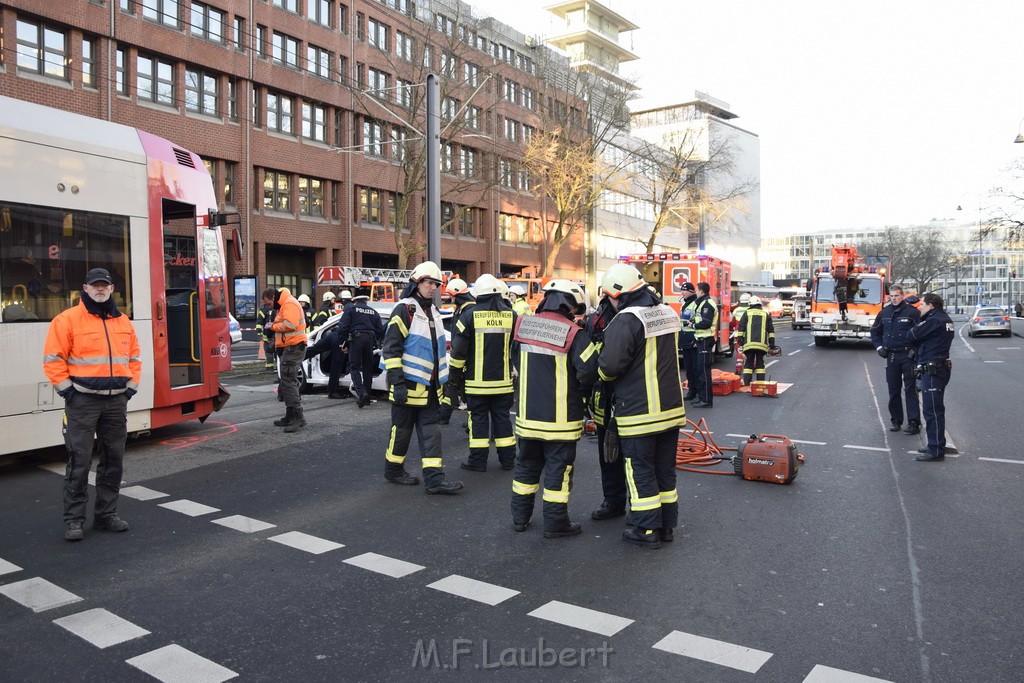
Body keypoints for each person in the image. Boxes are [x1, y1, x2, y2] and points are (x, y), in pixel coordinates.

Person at [43, 268, 141, 541]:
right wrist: (69, 394)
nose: (101, 289)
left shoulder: (123, 321)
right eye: (95, 285)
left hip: (115, 402)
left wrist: (129, 389)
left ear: (112, 289)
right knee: (80, 461)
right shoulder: (67, 320)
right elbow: (53, 360)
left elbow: (134, 357)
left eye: (105, 285)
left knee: (113, 461)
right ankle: (74, 520)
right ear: (85, 288)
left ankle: (106, 516)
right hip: (82, 401)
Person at [597, 264, 685, 549]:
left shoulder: (625, 319)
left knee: (640, 471)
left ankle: (646, 530)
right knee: (664, 471)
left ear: (617, 294)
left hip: (639, 412)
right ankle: (666, 526)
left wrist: (599, 372)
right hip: (671, 410)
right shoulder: (667, 312)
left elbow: (610, 367)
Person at [510, 280, 598, 537]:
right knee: (558, 472)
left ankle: (519, 518)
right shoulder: (574, 333)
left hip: (528, 416)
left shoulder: (522, 325)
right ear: (569, 304)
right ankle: (556, 523)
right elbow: (590, 371)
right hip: (560, 420)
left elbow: (516, 359)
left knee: (525, 467)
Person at [380, 262, 464, 494]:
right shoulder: (405, 310)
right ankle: (393, 470)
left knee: (431, 434)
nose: (432, 288)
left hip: (430, 389)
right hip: (406, 387)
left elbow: (437, 354)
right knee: (402, 431)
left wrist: (445, 385)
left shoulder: (433, 312)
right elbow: (391, 349)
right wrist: (397, 383)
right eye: (429, 283)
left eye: (436, 285)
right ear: (417, 283)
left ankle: (435, 480)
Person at [450, 274, 516, 471]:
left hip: (476, 384)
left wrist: (454, 380)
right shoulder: (511, 316)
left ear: (477, 294)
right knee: (502, 420)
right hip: (504, 383)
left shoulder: (468, 316)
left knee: (478, 421)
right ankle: (508, 461)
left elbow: (458, 352)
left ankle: (478, 461)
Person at [585, 293, 626, 521]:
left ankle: (640, 509)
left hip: (631, 399)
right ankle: (613, 501)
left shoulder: (635, 317)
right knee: (609, 455)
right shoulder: (596, 319)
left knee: (635, 458)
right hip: (605, 396)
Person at [908, 293, 955, 462]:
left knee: (932, 410)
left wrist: (916, 326)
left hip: (933, 369)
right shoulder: (944, 319)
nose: (920, 307)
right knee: (933, 409)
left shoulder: (934, 321)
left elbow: (911, 335)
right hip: (939, 367)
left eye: (922, 304)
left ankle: (935, 450)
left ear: (931, 305)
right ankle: (934, 445)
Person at [870, 285, 922, 434]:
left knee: (910, 389)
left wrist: (916, 352)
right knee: (893, 390)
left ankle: (913, 423)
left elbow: (921, 334)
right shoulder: (884, 313)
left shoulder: (913, 313)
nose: (894, 298)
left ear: (903, 296)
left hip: (908, 356)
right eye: (891, 296)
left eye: (897, 295)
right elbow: (875, 332)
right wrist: (879, 347)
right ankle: (896, 420)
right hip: (892, 356)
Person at [262, 286, 308, 432]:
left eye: (269, 303)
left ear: (273, 297)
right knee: (287, 382)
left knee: (288, 382)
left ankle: (298, 417)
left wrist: (273, 327)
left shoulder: (288, 304)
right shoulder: (285, 304)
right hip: (290, 347)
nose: (269, 306)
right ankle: (290, 415)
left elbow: (290, 324)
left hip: (293, 347)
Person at [335, 292, 385, 407]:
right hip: (369, 340)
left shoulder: (351, 309)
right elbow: (381, 330)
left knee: (354, 367)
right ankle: (367, 395)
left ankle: (362, 393)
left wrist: (343, 343)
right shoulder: (373, 312)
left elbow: (343, 327)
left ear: (355, 301)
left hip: (356, 339)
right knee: (368, 368)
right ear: (366, 301)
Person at [438, 278, 476, 425]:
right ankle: (467, 422)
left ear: (457, 295)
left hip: (464, 359)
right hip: (464, 358)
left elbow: (462, 340)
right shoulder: (464, 309)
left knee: (457, 388)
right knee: (459, 390)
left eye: (452, 296)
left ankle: (445, 418)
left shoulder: (468, 312)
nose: (451, 299)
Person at [689, 281, 719, 408]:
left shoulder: (707, 304)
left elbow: (706, 323)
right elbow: (700, 318)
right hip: (701, 339)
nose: (695, 292)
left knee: (704, 371)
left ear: (701, 291)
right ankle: (701, 397)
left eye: (696, 290)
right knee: (700, 370)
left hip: (706, 339)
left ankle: (706, 400)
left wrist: (693, 325)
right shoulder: (701, 303)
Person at [735, 296, 776, 385]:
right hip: (761, 345)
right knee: (760, 364)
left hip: (749, 345)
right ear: (759, 304)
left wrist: (740, 340)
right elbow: (771, 330)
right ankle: (760, 383)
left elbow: (741, 328)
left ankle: (747, 383)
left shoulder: (747, 313)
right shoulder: (765, 314)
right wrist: (772, 343)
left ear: (750, 304)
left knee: (748, 364)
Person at [677, 282, 699, 401]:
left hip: (693, 338)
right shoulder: (684, 304)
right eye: (681, 290)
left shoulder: (695, 304)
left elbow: (697, 321)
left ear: (691, 292)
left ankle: (697, 391)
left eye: (684, 290)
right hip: (685, 338)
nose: (682, 292)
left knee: (696, 368)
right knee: (688, 368)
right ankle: (692, 391)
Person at [256, 300, 277, 370]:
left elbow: (259, 322)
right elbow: (259, 322)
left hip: (270, 336)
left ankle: (270, 367)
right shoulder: (276, 308)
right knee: (275, 352)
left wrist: (259, 333)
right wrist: (259, 332)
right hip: (274, 336)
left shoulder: (264, 309)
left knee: (269, 352)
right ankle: (275, 367)